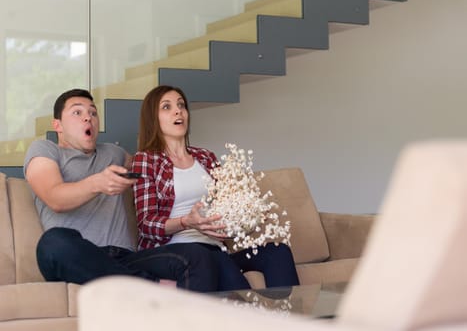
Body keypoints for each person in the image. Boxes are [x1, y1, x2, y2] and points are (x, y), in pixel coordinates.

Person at [24, 88, 219, 292]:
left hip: (126, 260)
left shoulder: (113, 153)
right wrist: (98, 183)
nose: (88, 118)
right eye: (77, 112)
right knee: (53, 243)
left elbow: (153, 165)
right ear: (58, 125)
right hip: (79, 260)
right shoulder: (45, 150)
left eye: (93, 112)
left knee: (196, 255)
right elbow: (56, 198)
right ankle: (151, 287)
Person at [131, 85, 299, 291]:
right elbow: (146, 223)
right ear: (153, 118)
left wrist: (241, 220)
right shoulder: (146, 159)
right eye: (166, 107)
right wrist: (187, 222)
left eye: (181, 105)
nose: (178, 111)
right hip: (179, 252)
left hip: (216, 248)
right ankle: (249, 318)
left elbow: (225, 207)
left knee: (277, 251)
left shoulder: (206, 157)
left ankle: (291, 320)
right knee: (215, 262)